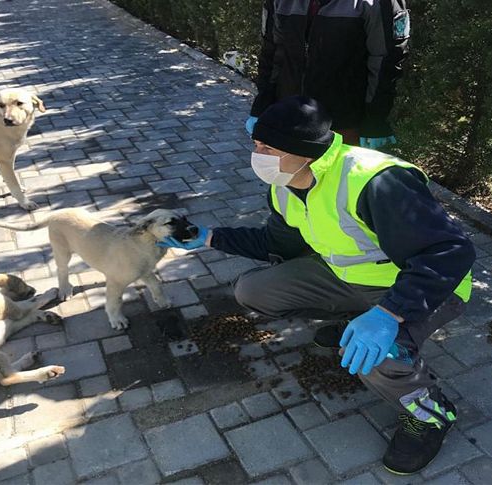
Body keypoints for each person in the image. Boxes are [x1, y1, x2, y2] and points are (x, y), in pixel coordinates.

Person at [161, 96, 474, 475]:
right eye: (256, 145)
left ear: (303, 151)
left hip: (423, 289)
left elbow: (450, 252)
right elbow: (277, 245)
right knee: (252, 291)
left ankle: (430, 415)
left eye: (268, 148)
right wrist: (211, 237)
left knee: (380, 356)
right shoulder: (285, 183)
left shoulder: (374, 180)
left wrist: (389, 314)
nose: (257, 156)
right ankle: (355, 322)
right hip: (348, 279)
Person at [245, 0, 410, 150]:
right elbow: (272, 51)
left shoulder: (378, 3)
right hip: (288, 117)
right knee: (288, 180)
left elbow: (385, 61)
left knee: (339, 181)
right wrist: (262, 104)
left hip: (343, 125)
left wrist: (375, 119)